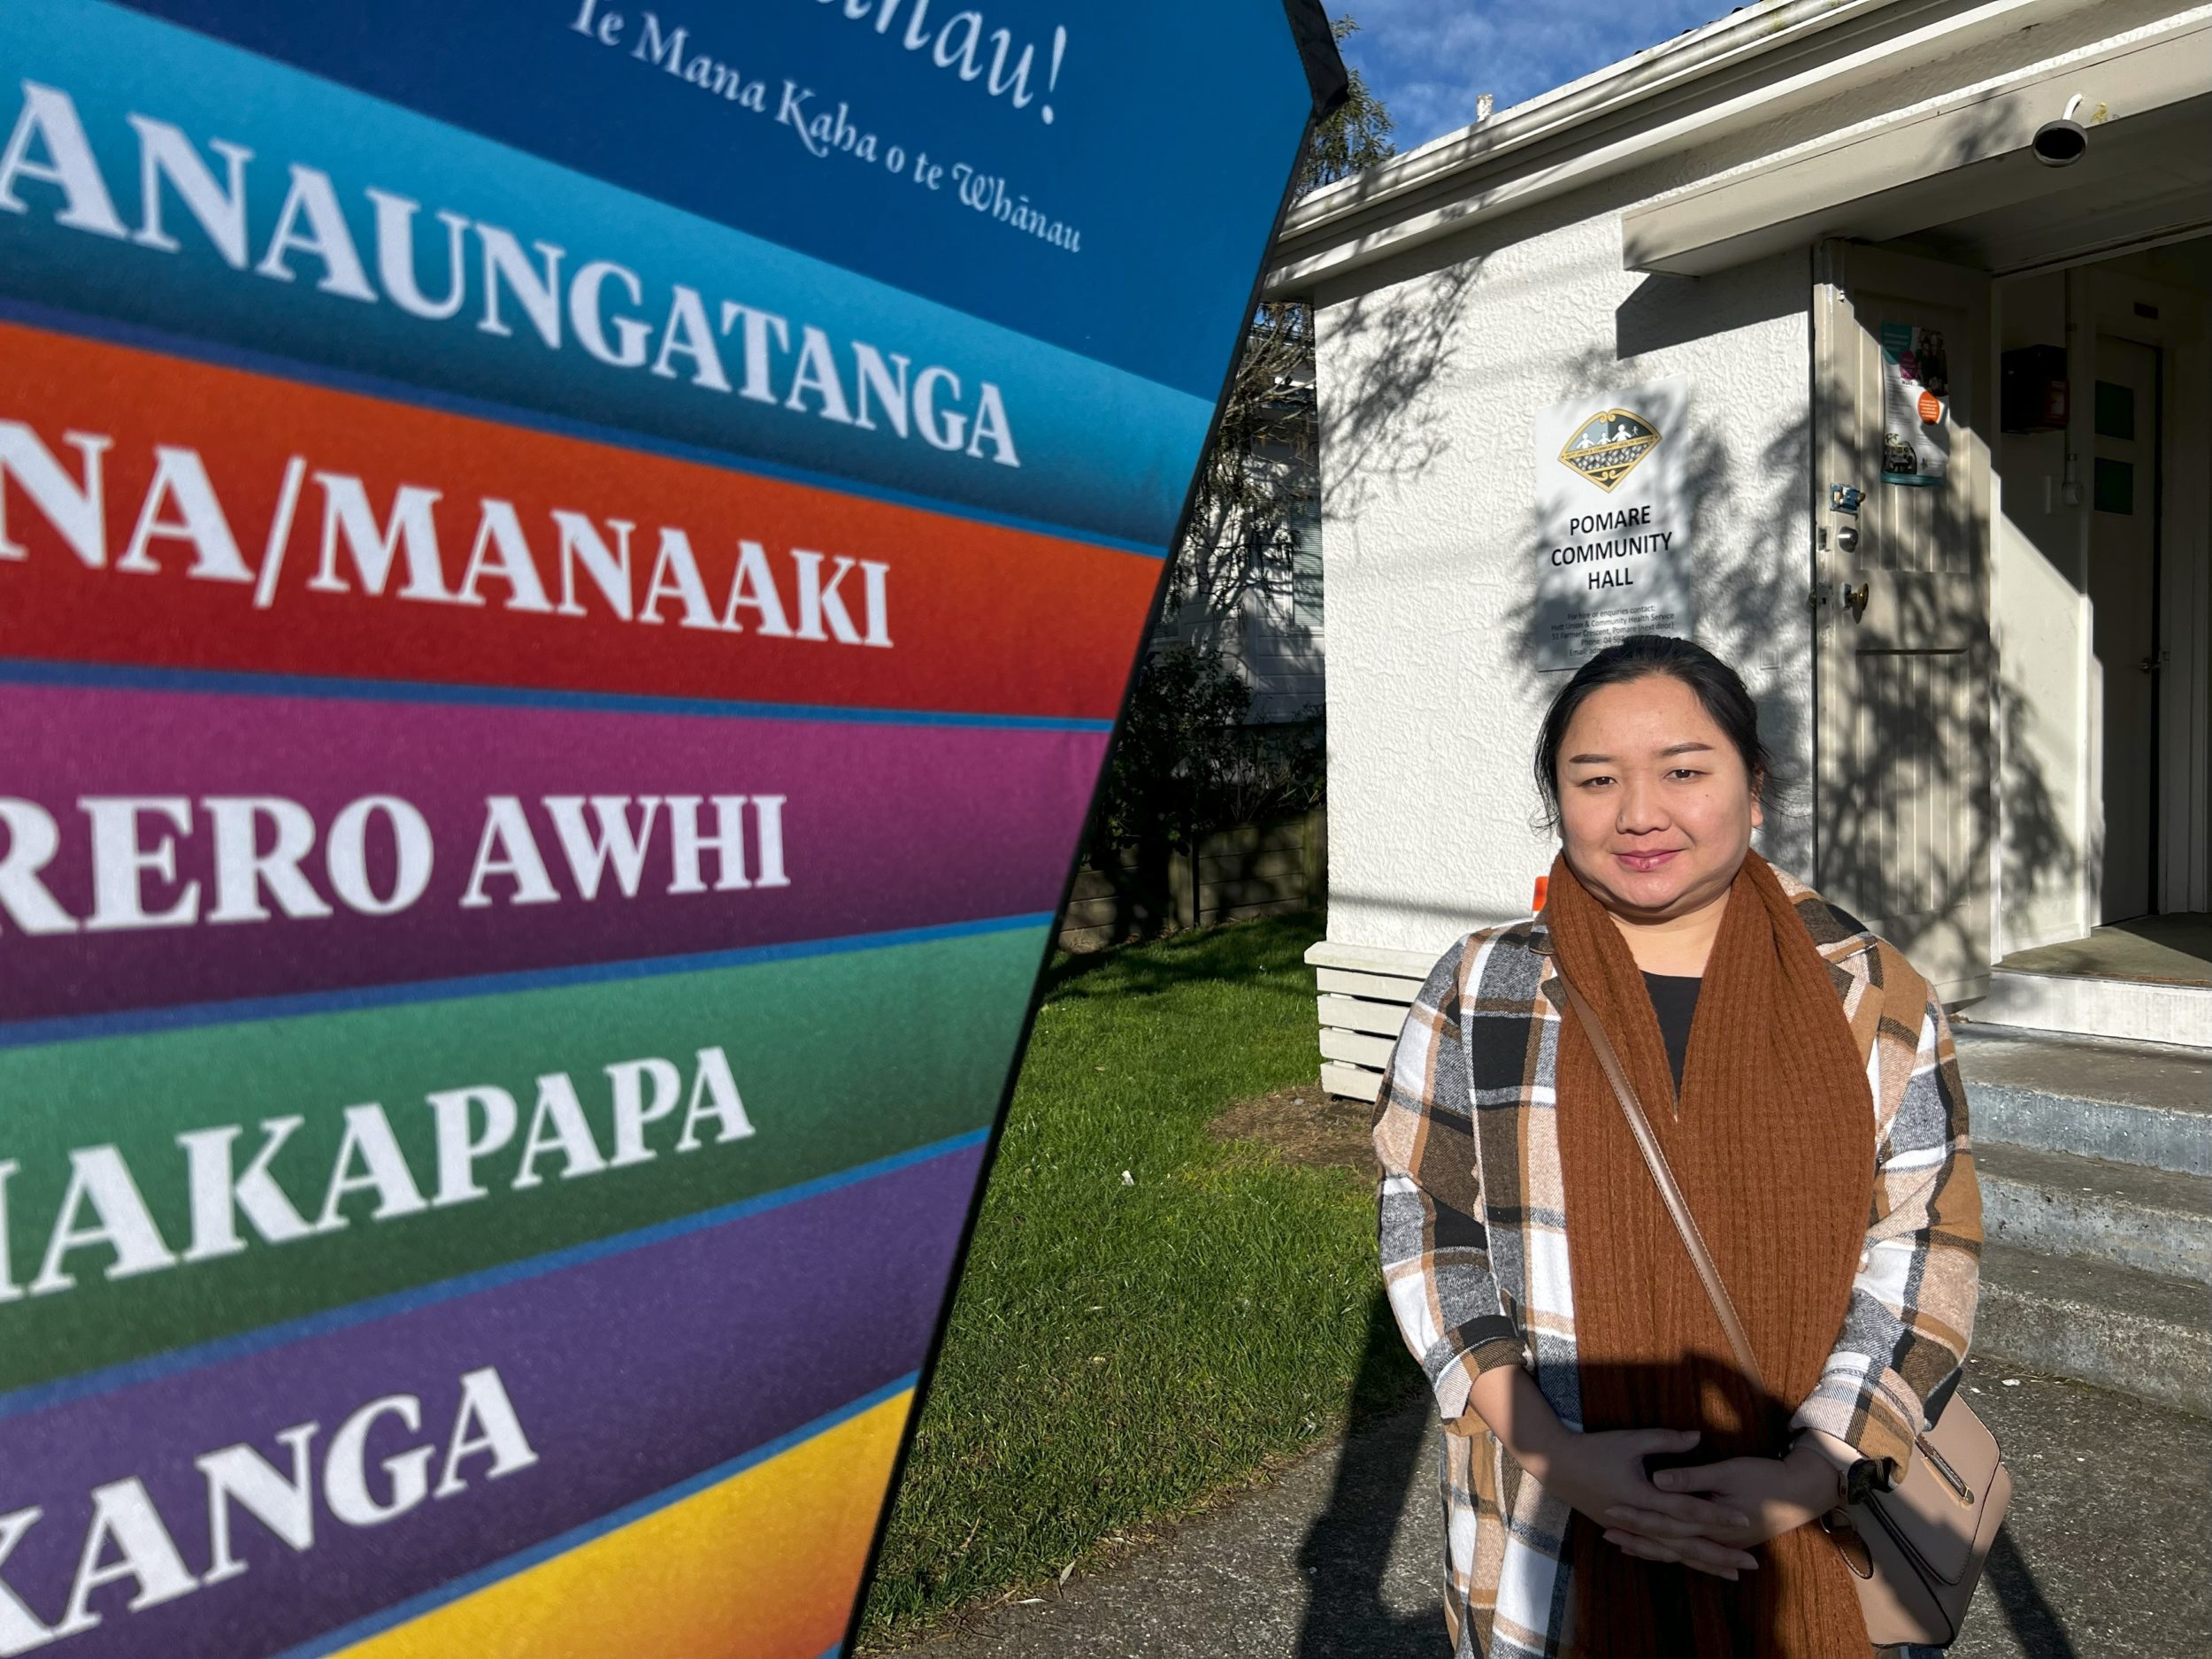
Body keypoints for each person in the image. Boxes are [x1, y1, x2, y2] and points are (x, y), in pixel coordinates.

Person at [1372, 634, 1980, 1659]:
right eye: (1595, 779)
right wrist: (1546, 1446)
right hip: (1547, 1529)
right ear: (1556, 798)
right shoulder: (1483, 985)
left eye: (1684, 772)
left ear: (1754, 791)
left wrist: (1809, 1470)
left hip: (1800, 1536)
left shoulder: (1873, 995)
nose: (1639, 813)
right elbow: (1423, 1216)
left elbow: (1928, 1244)